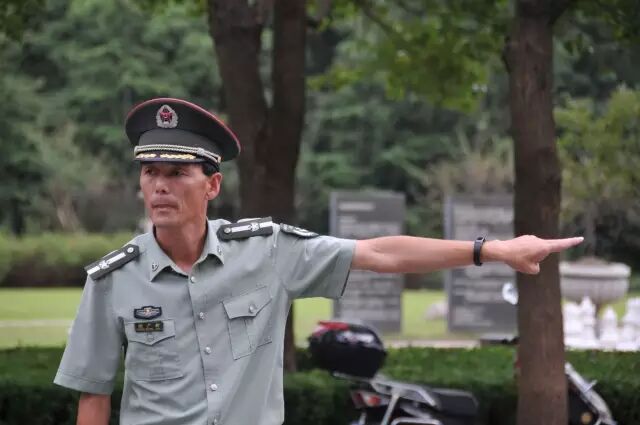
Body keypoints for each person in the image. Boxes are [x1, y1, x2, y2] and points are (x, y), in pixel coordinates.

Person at [54, 98, 583, 425]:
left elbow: (378, 252)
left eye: (176, 173)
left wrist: (490, 250)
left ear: (212, 185)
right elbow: (93, 399)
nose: (160, 186)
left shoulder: (267, 251)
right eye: (150, 172)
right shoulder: (113, 280)